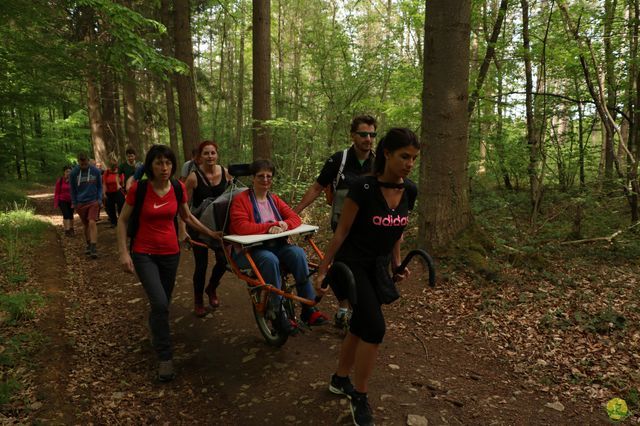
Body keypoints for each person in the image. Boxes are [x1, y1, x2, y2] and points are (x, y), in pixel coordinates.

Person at [315, 128, 420, 426]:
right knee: (374, 328)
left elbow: (396, 229)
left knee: (361, 326)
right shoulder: (362, 188)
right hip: (350, 266)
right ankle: (359, 396)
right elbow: (342, 232)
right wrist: (323, 269)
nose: (409, 163)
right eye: (404, 156)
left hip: (378, 266)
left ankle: (339, 379)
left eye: (413, 158)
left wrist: (397, 264)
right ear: (386, 153)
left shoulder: (410, 190)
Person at [117, 144, 222, 382]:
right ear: (150, 166)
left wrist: (211, 233)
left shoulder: (177, 188)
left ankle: (156, 328)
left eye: (168, 163)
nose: (164, 168)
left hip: (171, 254)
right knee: (160, 303)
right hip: (143, 253)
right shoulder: (140, 189)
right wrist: (123, 252)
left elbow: (187, 216)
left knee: (161, 303)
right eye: (158, 163)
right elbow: (123, 221)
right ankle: (165, 357)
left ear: (173, 165)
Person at [294, 114, 378, 328]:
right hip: (342, 224)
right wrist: (295, 212)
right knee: (341, 265)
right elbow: (316, 187)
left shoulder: (378, 163)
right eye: (363, 134)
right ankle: (343, 308)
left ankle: (357, 309)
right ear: (353, 135)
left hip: (369, 228)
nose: (368, 139)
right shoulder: (338, 160)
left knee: (363, 268)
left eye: (372, 134)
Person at [229, 159, 329, 333]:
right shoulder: (241, 200)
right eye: (261, 176)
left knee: (297, 253)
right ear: (253, 178)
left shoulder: (273, 199)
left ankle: (308, 307)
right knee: (270, 260)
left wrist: (284, 225)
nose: (265, 179)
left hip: (277, 245)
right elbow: (241, 227)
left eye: (269, 176)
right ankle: (277, 311)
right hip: (251, 250)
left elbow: (295, 218)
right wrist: (269, 226)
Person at [184, 140, 231, 316]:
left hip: (220, 227)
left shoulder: (225, 173)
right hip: (199, 227)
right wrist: (183, 229)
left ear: (217, 154)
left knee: (224, 260)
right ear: (199, 157)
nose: (210, 156)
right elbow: (184, 207)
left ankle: (211, 288)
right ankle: (198, 301)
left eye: (213, 153)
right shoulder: (193, 178)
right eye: (206, 153)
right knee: (201, 265)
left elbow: (233, 196)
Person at [69, 152, 102, 259]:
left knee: (92, 222)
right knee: (86, 224)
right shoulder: (74, 173)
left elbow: (100, 186)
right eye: (81, 162)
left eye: (85, 162)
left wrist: (99, 199)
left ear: (88, 160)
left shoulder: (95, 171)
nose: (83, 164)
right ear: (78, 161)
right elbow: (72, 189)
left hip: (93, 201)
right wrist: (74, 203)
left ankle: (93, 247)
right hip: (80, 202)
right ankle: (88, 244)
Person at [103, 153, 125, 227]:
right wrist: (104, 193)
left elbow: (122, 181)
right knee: (110, 207)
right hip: (109, 192)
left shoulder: (119, 171)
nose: (114, 165)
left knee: (121, 206)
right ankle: (113, 222)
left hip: (118, 191)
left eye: (115, 163)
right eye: (112, 163)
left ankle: (121, 221)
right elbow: (104, 183)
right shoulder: (107, 172)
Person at [53, 165, 75, 236]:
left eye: (70, 172)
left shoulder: (74, 181)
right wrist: (56, 203)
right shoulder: (60, 180)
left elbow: (76, 191)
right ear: (64, 172)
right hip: (62, 200)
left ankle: (71, 229)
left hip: (72, 201)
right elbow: (57, 192)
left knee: (71, 215)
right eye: (67, 172)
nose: (68, 173)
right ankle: (67, 230)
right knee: (66, 214)